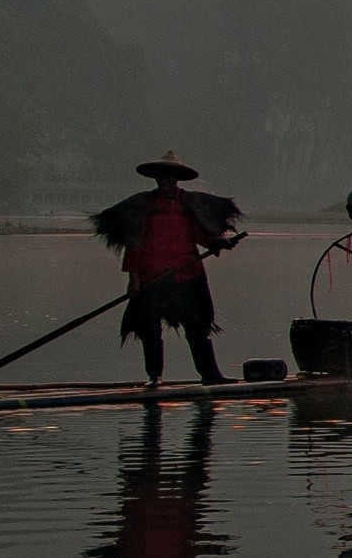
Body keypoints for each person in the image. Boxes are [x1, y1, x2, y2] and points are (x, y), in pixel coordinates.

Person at [89, 154, 245, 386]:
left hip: (186, 273)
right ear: (156, 179)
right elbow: (135, 244)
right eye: (162, 177)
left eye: (170, 177)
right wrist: (134, 278)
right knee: (150, 327)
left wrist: (217, 243)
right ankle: (155, 376)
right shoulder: (144, 206)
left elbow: (199, 234)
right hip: (153, 276)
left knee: (197, 326)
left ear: (177, 179)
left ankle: (211, 375)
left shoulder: (187, 205)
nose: (166, 181)